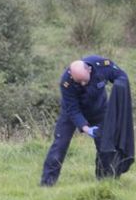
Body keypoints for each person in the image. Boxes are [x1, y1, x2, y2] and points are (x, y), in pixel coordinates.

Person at [40, 55, 129, 186]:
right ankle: (47, 184)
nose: (82, 84)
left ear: (89, 70)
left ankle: (106, 182)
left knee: (106, 146)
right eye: (78, 81)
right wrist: (86, 128)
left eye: (83, 80)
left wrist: (120, 84)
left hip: (100, 110)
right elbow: (72, 109)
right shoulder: (66, 82)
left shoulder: (102, 66)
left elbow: (121, 75)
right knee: (59, 145)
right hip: (71, 114)